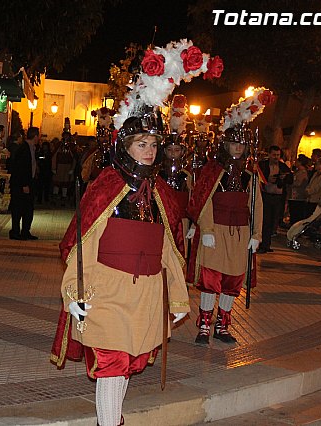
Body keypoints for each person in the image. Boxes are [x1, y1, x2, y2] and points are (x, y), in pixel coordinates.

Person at [50, 113, 189, 426]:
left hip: (146, 297)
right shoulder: (106, 187)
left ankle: (112, 419)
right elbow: (80, 246)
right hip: (107, 292)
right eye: (142, 144)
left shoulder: (160, 192)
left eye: (153, 144)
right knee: (112, 364)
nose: (150, 150)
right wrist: (74, 292)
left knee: (128, 364)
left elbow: (168, 249)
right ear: (125, 147)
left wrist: (178, 298)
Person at [188, 124, 263, 345]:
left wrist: (257, 234)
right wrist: (207, 228)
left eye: (241, 144)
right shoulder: (212, 170)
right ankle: (204, 324)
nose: (237, 148)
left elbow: (256, 205)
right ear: (225, 145)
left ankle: (222, 325)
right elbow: (203, 200)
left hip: (240, 234)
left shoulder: (251, 175)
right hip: (216, 231)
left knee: (233, 280)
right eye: (233, 143)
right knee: (210, 280)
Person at [257, 145, 292, 253]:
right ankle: (263, 244)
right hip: (266, 195)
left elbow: (290, 179)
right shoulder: (263, 165)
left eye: (278, 155)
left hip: (278, 197)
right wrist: (267, 179)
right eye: (274, 155)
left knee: (273, 221)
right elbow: (257, 177)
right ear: (269, 155)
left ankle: (267, 244)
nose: (276, 157)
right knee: (265, 220)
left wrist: (283, 178)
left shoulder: (283, 166)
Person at [9, 127, 39, 240]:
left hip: (28, 182)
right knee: (19, 208)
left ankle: (25, 231)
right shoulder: (24, 149)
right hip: (21, 183)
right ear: (35, 136)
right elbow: (21, 168)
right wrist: (24, 184)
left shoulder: (30, 148)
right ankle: (16, 231)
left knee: (27, 209)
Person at [288, 155, 310, 225]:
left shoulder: (303, 172)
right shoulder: (297, 171)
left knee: (296, 215)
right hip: (293, 196)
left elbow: (298, 183)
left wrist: (290, 183)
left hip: (298, 197)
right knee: (293, 214)